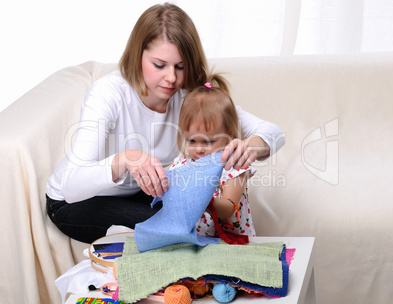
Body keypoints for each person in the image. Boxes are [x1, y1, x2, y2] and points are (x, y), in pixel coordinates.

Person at [46, 3, 285, 244]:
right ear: (137, 55)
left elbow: (273, 132)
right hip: (74, 202)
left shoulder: (187, 96)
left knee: (193, 218)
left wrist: (252, 146)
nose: (171, 78)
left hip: (134, 195)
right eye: (159, 65)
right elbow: (71, 186)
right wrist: (125, 159)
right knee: (183, 227)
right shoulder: (109, 94)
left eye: (180, 66)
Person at [170, 74, 256, 238]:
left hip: (233, 244)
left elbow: (228, 208)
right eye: (192, 140)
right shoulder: (182, 163)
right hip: (195, 242)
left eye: (208, 142)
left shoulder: (234, 165)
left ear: (228, 135)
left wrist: (205, 202)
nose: (199, 149)